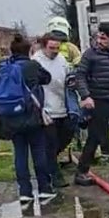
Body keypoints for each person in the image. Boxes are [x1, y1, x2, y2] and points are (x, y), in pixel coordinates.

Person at [0, 34, 54, 204]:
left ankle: (24, 191)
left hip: (11, 118)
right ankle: (44, 188)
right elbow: (47, 78)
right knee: (39, 152)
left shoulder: (2, 68)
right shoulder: (32, 66)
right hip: (32, 116)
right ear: (29, 50)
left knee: (20, 154)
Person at [72, 25, 109, 185]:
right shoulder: (90, 54)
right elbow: (79, 75)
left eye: (103, 38)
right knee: (95, 136)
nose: (99, 41)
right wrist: (86, 96)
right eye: (98, 37)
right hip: (99, 99)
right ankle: (81, 172)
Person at [32, 32, 76, 188]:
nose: (55, 51)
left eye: (57, 48)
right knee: (50, 143)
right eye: (52, 48)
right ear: (44, 46)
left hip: (63, 107)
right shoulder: (36, 61)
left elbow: (67, 78)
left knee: (66, 136)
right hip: (46, 110)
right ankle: (55, 175)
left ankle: (47, 160)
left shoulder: (62, 59)